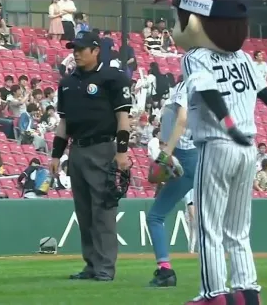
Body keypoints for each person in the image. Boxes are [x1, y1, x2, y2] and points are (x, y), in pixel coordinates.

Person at [170, 0, 267, 303]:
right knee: (238, 230)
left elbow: (208, 89)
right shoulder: (242, 57)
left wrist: (226, 122)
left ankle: (213, 295)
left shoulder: (195, 55)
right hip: (247, 149)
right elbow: (266, 94)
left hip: (218, 143)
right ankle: (248, 293)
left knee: (209, 228)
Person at [49, 31, 132, 282]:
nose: (76, 52)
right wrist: (56, 155)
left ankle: (105, 267)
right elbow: (63, 123)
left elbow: (123, 118)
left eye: (82, 48)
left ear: (96, 50)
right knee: (84, 212)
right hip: (78, 150)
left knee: (103, 211)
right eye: (74, 48)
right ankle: (92, 264)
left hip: (104, 147)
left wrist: (122, 152)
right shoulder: (67, 82)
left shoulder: (113, 78)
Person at [146, 79, 197, 287]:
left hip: (186, 156)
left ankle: (165, 271)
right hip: (209, 154)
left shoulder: (183, 87)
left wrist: (167, 152)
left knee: (155, 217)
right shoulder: (212, 86)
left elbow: (182, 118)